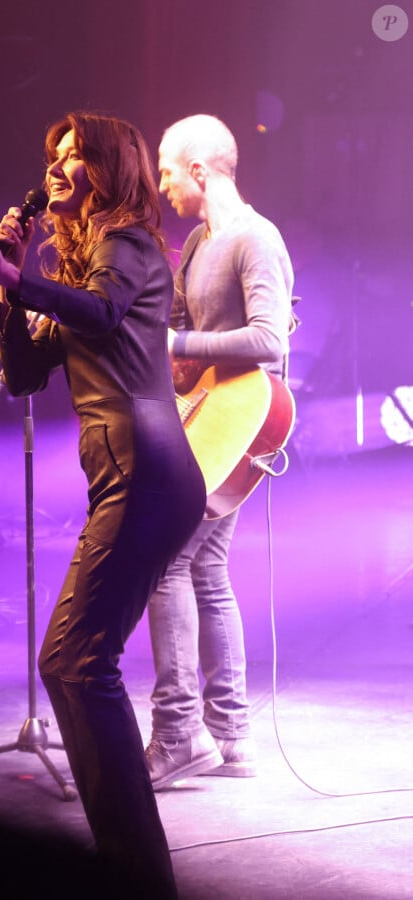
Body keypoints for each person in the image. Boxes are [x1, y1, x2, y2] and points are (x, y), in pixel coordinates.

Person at [0, 111, 206, 899]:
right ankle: (128, 866)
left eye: (75, 154)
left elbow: (104, 312)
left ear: (112, 169)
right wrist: (4, 282)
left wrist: (17, 277)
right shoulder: (86, 266)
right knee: (73, 664)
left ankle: (139, 875)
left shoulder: (127, 248)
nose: (55, 167)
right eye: (51, 154)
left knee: (79, 664)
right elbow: (22, 371)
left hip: (145, 471)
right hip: (131, 473)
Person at [145, 113, 294, 791]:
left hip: (241, 429)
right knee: (204, 571)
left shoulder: (255, 238)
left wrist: (178, 347)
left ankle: (179, 733)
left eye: (169, 173)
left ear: (200, 170)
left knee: (166, 564)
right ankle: (230, 735)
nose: (163, 186)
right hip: (210, 424)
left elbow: (268, 339)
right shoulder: (197, 244)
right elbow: (178, 329)